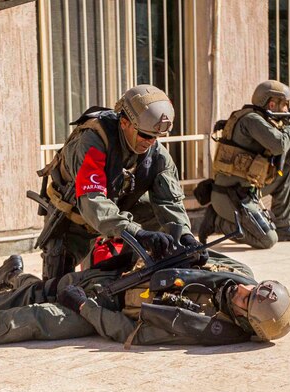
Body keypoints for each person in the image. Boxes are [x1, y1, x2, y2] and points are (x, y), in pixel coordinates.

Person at [20, 84, 200, 288]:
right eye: (145, 135)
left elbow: (170, 202)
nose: (151, 142)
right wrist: (137, 233)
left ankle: (126, 266)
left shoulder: (156, 154)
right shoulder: (93, 142)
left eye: (156, 137)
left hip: (118, 212)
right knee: (54, 291)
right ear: (124, 122)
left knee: (156, 219)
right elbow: (93, 201)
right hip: (74, 219)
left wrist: (185, 236)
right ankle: (12, 275)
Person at [0, 249, 290, 347]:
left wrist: (84, 306)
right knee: (39, 291)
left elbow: (128, 332)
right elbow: (198, 251)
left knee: (25, 318)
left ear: (244, 320)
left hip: (102, 309)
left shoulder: (204, 324)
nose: (243, 290)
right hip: (119, 278)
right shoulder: (238, 273)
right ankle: (9, 278)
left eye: (247, 300)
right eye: (253, 287)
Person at [198, 79, 290, 248]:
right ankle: (217, 221)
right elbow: (279, 145)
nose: (288, 110)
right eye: (284, 105)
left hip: (248, 190)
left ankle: (283, 225)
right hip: (231, 196)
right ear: (271, 104)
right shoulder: (251, 120)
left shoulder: (267, 123)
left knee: (286, 172)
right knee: (267, 240)